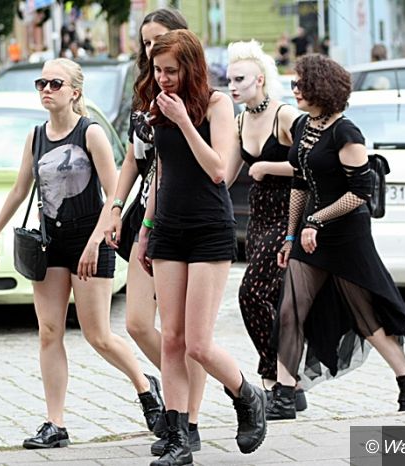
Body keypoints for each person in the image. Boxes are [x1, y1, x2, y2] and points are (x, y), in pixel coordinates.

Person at [0, 57, 163, 449]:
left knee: (97, 334)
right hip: (50, 242)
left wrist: (96, 241)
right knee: (49, 332)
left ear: (75, 92)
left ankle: (145, 386)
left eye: (55, 84)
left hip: (90, 237)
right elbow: (19, 189)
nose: (46, 90)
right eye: (42, 83)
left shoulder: (90, 133)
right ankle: (55, 423)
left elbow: (114, 195)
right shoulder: (36, 137)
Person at [265, 53, 405, 421]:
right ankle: (284, 396)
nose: (295, 90)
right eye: (294, 83)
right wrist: (291, 236)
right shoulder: (304, 126)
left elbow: (360, 192)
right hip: (309, 236)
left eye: (301, 84)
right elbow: (300, 183)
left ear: (321, 87)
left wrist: (317, 221)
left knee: (366, 317)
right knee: (290, 311)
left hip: (346, 236)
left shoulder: (346, 133)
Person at [137, 30, 267, 465]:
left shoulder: (217, 104)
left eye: (171, 71)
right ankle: (178, 439)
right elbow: (160, 170)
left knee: (197, 344)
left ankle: (246, 394)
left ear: (190, 68)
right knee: (171, 340)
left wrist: (183, 122)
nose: (162, 78)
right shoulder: (158, 105)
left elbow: (217, 169)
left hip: (209, 228)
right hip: (168, 228)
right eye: (157, 70)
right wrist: (147, 227)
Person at [103, 7, 207, 457]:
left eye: (158, 39)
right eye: (145, 42)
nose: (150, 49)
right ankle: (176, 397)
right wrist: (114, 206)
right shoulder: (146, 89)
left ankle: (188, 421)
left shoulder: (199, 97)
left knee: (184, 336)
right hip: (147, 217)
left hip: (186, 218)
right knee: (138, 323)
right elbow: (133, 157)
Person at [224, 40, 306, 409]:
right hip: (257, 218)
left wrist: (267, 166)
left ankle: (280, 381)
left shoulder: (284, 116)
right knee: (270, 299)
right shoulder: (240, 121)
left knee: (250, 294)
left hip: (288, 214)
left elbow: (309, 163)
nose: (233, 86)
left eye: (240, 79)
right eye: (230, 80)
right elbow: (225, 176)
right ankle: (285, 389)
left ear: (259, 79)